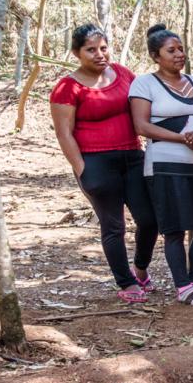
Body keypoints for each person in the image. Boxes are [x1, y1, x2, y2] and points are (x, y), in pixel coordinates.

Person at [51, 23, 157, 303]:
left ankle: (140, 270)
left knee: (149, 219)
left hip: (133, 157)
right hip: (96, 162)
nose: (99, 54)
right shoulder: (67, 87)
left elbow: (144, 107)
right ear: (77, 53)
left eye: (103, 48)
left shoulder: (123, 74)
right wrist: (82, 169)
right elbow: (64, 133)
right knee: (114, 226)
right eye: (91, 50)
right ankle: (126, 283)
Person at [129, 25, 193, 305]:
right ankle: (182, 286)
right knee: (174, 229)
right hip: (163, 165)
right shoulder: (144, 84)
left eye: (180, 48)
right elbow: (141, 124)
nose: (179, 54)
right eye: (171, 51)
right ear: (155, 55)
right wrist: (182, 138)